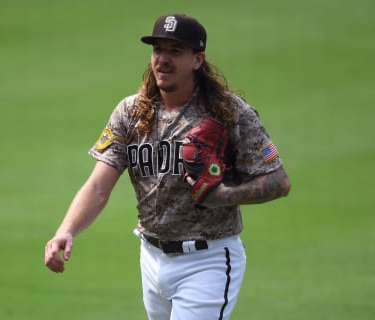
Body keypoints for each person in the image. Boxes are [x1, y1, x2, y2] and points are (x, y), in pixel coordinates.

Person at [45, 13, 291, 320]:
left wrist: (223, 195)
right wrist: (66, 231)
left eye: (175, 51)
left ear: (197, 59)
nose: (163, 59)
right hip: (151, 257)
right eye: (158, 50)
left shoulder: (230, 113)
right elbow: (98, 186)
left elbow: (279, 182)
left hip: (208, 260)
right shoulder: (131, 112)